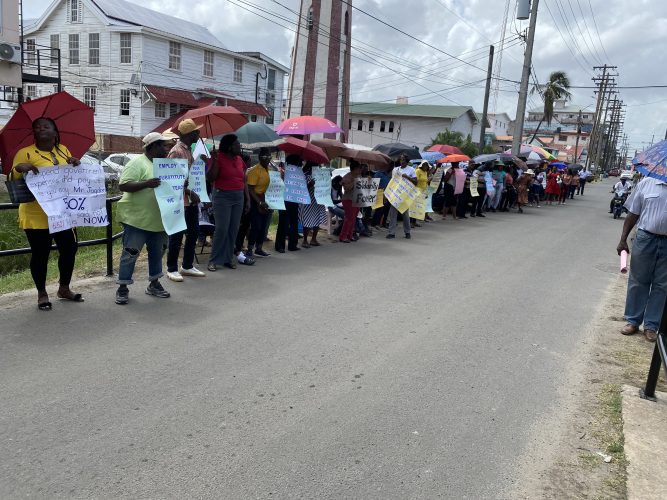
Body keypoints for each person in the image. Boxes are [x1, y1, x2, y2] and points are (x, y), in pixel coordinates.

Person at [10, 117, 83, 310]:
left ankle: (64, 288)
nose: (40, 128)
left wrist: (75, 164)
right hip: (36, 215)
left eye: (45, 126)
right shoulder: (24, 153)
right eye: (37, 127)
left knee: (69, 249)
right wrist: (19, 169)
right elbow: (11, 178)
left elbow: (69, 177)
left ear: (55, 132)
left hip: (62, 214)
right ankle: (42, 294)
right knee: (40, 254)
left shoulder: (63, 150)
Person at [114, 132, 171, 305]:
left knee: (157, 252)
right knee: (130, 253)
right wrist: (147, 183)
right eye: (163, 145)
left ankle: (154, 283)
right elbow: (123, 185)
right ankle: (122, 287)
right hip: (137, 220)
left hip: (158, 220)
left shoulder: (166, 165)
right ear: (152, 146)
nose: (167, 149)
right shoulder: (137, 163)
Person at [616, 175, 667, 342]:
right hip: (645, 238)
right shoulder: (647, 182)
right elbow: (633, 213)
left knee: (662, 285)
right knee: (638, 281)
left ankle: (651, 325)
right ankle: (632, 321)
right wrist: (623, 239)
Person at [165, 119, 205, 282]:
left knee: (193, 232)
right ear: (190, 134)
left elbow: (190, 176)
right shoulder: (177, 152)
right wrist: (189, 191)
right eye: (196, 132)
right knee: (176, 236)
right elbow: (170, 178)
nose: (199, 134)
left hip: (190, 201)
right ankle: (171, 268)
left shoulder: (188, 151)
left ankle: (187, 265)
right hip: (180, 201)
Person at [206, 134, 246, 271]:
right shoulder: (218, 157)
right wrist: (215, 162)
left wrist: (247, 200)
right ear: (230, 147)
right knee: (222, 229)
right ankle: (213, 260)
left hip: (238, 196)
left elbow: (243, 179)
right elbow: (211, 177)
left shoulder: (240, 159)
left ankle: (227, 259)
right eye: (237, 144)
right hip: (222, 196)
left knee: (233, 229)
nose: (239, 147)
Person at [245, 148, 273, 258]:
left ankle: (259, 248)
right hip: (255, 199)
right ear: (260, 157)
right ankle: (250, 249)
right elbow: (250, 188)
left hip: (264, 198)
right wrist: (259, 202)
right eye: (265, 157)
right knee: (256, 226)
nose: (267, 159)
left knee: (264, 226)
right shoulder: (255, 170)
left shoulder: (267, 169)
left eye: (269, 157)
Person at [275, 155, 302, 252]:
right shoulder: (283, 173)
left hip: (293, 200)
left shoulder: (298, 173)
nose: (300, 165)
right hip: (284, 200)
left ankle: (292, 244)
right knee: (284, 222)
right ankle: (280, 245)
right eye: (299, 163)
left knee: (293, 222)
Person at [386, 155, 417, 238]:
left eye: (403, 160)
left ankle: (407, 232)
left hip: (405, 196)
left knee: (405, 215)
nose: (402, 161)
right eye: (401, 160)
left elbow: (415, 182)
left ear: (407, 161)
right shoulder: (396, 169)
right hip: (396, 195)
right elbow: (393, 181)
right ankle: (391, 233)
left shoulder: (411, 170)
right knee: (393, 214)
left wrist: (408, 177)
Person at [299, 161, 328, 247]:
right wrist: (310, 184)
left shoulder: (321, 175)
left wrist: (326, 181)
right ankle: (304, 241)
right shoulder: (304, 175)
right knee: (307, 220)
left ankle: (314, 239)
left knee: (317, 219)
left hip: (318, 201)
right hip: (309, 201)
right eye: (316, 166)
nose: (318, 167)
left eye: (318, 166)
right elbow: (302, 190)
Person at [340, 160, 362, 243]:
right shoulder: (347, 177)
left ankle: (350, 235)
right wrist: (354, 181)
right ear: (354, 169)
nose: (360, 170)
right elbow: (346, 188)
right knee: (349, 218)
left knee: (353, 218)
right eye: (359, 168)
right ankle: (343, 236)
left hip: (357, 199)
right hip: (348, 199)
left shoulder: (359, 176)